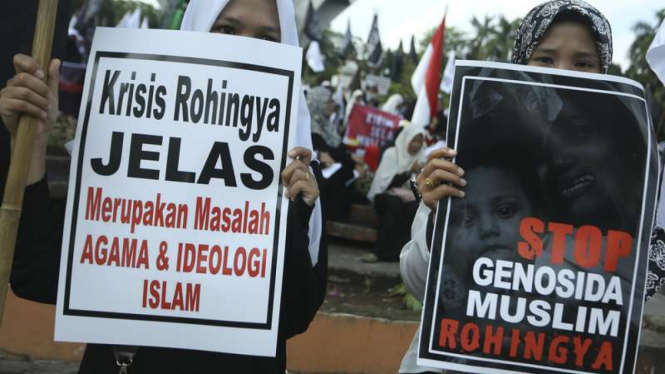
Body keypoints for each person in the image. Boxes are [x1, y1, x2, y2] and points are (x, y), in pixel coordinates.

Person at [0, 0, 327, 373]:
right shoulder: (129, 137)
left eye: (268, 38)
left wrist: (296, 213)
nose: (243, 48)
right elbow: (37, 275)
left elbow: (294, 317)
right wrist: (34, 144)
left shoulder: (297, 166)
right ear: (196, 28)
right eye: (227, 30)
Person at [398, 1, 664, 373]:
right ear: (521, 62)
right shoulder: (469, 154)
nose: (564, 74)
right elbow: (417, 281)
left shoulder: (622, 189)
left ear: (603, 71)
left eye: (583, 63)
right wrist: (435, 218)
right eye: (546, 59)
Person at [364, 122, 425, 263]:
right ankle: (380, 251)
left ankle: (402, 255)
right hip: (385, 195)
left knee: (415, 209)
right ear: (406, 139)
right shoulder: (392, 153)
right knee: (394, 204)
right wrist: (409, 171)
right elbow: (387, 183)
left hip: (408, 197)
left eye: (420, 142)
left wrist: (419, 174)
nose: (416, 145)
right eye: (414, 140)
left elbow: (418, 189)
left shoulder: (421, 159)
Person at [308, 85, 358, 220]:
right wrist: (348, 157)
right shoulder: (311, 125)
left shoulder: (326, 124)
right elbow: (325, 151)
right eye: (328, 102)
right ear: (318, 103)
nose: (332, 105)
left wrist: (348, 157)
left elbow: (338, 149)